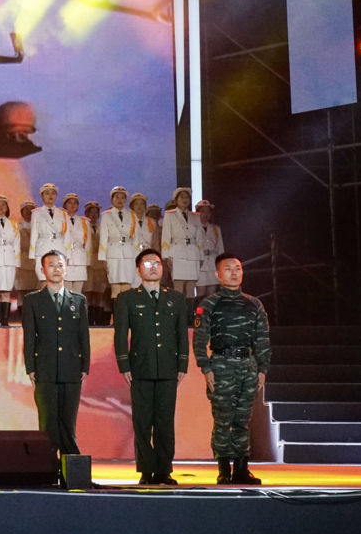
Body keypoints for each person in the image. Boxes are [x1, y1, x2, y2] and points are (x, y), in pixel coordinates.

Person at [114, 249, 191, 485]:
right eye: (147, 264)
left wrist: (182, 364)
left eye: (157, 263)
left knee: (165, 422)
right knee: (143, 422)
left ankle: (164, 470)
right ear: (138, 270)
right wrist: (124, 364)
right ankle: (147, 471)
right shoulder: (127, 298)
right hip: (140, 367)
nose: (153, 267)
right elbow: (120, 336)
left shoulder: (176, 298)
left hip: (168, 368)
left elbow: (181, 334)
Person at [195, 253, 271, 485]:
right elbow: (199, 339)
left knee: (242, 420)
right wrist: (206, 367)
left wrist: (262, 368)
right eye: (228, 269)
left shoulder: (254, 304)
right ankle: (223, 469)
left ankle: (241, 468)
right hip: (222, 365)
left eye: (237, 268)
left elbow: (262, 338)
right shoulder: (209, 304)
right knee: (222, 420)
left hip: (249, 365)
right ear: (218, 275)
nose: (234, 273)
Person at [20, 250, 91, 460]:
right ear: (43, 270)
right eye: (51, 265)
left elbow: (83, 336)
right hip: (45, 369)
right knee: (48, 423)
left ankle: (71, 468)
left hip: (71, 369)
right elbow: (29, 337)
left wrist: (85, 366)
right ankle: (47, 466)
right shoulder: (33, 300)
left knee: (68, 422)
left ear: (66, 269)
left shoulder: (78, 300)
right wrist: (31, 367)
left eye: (60, 265)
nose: (56, 269)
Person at [99, 186, 146, 304]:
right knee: (115, 287)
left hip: (129, 254)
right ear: (112, 199)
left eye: (122, 198)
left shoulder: (132, 215)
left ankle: (124, 314)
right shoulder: (106, 216)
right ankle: (116, 314)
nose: (120, 200)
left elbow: (136, 238)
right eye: (117, 197)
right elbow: (103, 238)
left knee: (126, 287)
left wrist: (137, 257)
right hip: (113, 254)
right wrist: (103, 258)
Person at [161, 187, 202, 296]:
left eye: (187, 197)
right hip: (177, 253)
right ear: (176, 200)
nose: (185, 200)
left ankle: (190, 307)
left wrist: (201, 255)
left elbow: (199, 238)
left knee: (191, 287)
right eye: (182, 197)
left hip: (193, 253)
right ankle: (178, 307)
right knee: (178, 286)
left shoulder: (195, 217)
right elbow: (166, 236)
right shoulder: (170, 215)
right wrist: (166, 256)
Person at [0, 195, 20, 326]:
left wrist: (17, 263)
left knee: (6, 292)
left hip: (9, 260)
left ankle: (4, 322)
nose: (1, 207)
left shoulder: (13, 224)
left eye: (3, 204)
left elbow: (17, 244)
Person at [30, 183, 68, 285]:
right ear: (42, 196)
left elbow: (67, 235)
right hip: (43, 248)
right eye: (47, 193)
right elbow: (34, 235)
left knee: (58, 280)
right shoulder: (36, 213)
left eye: (53, 193)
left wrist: (67, 254)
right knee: (44, 280)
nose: (50, 196)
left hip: (59, 248)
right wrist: (32, 256)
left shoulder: (63, 213)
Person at [60, 194, 90, 297]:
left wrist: (88, 261)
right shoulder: (60, 220)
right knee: (66, 292)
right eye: (69, 202)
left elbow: (88, 243)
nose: (72, 205)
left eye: (75, 203)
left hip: (80, 260)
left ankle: (76, 308)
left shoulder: (84, 222)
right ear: (65, 205)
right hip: (65, 258)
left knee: (78, 292)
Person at [194, 200, 224, 303]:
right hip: (200, 262)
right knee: (200, 293)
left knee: (212, 293)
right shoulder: (194, 228)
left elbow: (220, 248)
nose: (205, 214)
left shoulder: (216, 229)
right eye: (202, 211)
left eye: (208, 212)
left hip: (212, 262)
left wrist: (221, 266)